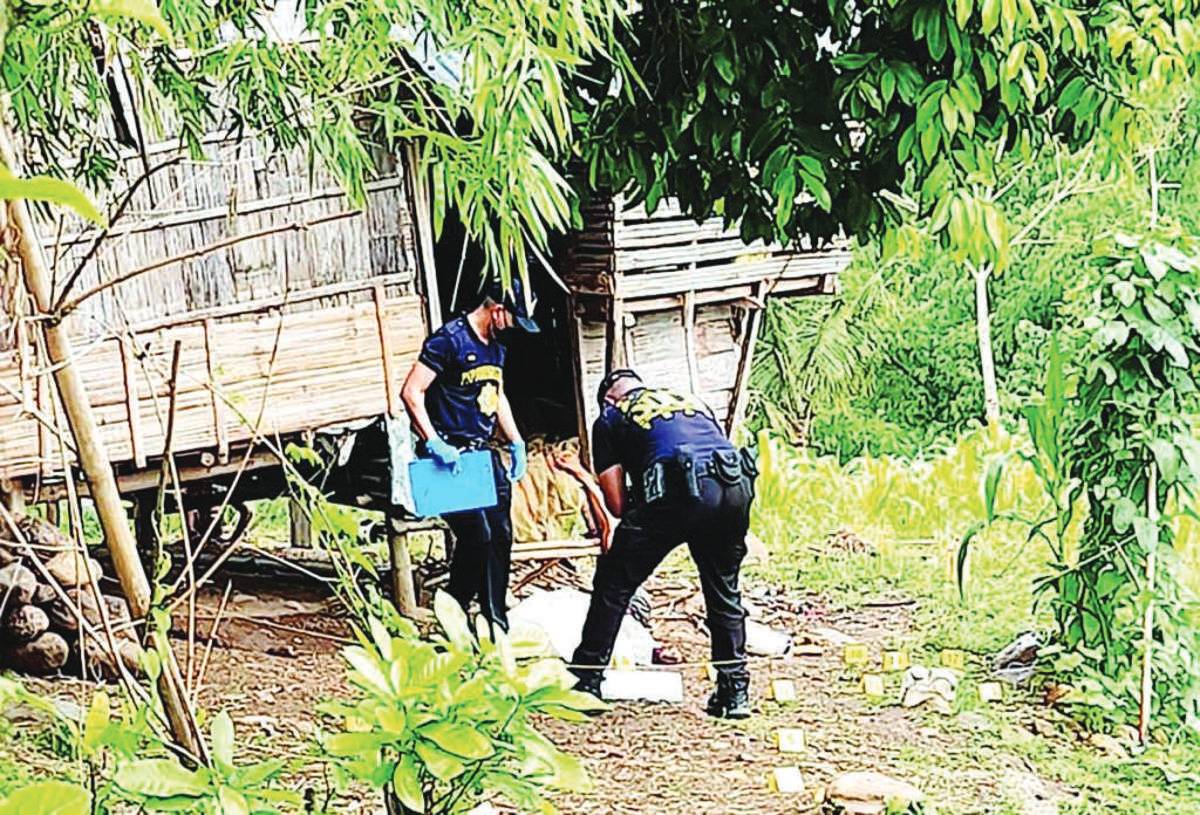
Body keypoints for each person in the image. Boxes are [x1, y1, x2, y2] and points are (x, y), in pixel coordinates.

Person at [569, 369, 758, 719]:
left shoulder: (612, 417)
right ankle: (734, 693)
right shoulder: (689, 401)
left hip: (678, 488)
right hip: (735, 484)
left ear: (609, 398)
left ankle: (587, 683)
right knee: (723, 590)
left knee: (615, 581)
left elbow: (617, 505)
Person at [400, 277, 539, 630]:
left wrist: (516, 441)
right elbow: (412, 392)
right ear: (497, 310)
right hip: (448, 457)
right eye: (513, 319)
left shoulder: (497, 348)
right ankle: (455, 609)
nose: (514, 329)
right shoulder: (449, 340)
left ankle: (495, 620)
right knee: (478, 535)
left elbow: (497, 394)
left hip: (482, 455)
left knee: (501, 535)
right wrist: (433, 440)